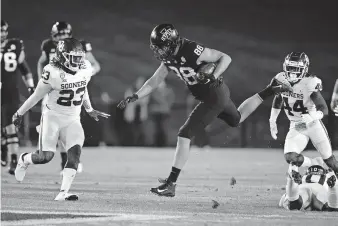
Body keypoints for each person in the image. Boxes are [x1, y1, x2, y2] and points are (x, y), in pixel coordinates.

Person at [118, 24, 291, 197]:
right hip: (213, 95)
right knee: (236, 119)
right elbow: (155, 80)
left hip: (213, 95)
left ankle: (171, 183)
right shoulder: (169, 59)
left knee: (184, 134)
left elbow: (226, 58)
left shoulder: (191, 49)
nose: (159, 52)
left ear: (171, 43)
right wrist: (136, 96)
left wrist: (213, 75)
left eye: (161, 47)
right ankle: (269, 90)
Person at [12, 38, 110, 201]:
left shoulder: (85, 67)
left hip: (73, 119)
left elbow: (82, 87)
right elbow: (36, 96)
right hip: (52, 117)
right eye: (74, 57)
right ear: (63, 56)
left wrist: (89, 109)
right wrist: (19, 113)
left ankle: (63, 193)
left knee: (75, 155)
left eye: (80, 57)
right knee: (45, 157)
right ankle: (24, 159)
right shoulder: (52, 72)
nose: (79, 61)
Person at [37, 21, 101, 173]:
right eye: (58, 35)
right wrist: (42, 80)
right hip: (53, 90)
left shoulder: (79, 45)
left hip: (71, 91)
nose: (61, 37)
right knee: (57, 128)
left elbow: (95, 65)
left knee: (72, 128)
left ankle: (71, 159)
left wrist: (82, 75)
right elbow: (41, 63)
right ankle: (64, 160)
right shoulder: (49, 46)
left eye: (64, 34)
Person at [269, 52, 338, 174]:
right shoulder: (280, 79)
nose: (292, 72)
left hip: (313, 125)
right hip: (296, 125)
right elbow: (278, 98)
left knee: (331, 162)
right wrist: (272, 120)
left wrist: (312, 116)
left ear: (304, 69)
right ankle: (316, 164)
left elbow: (324, 109)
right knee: (290, 157)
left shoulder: (309, 82)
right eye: (290, 68)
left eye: (296, 69)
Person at [1, 19, 35, 174]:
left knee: (9, 127)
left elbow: (24, 67)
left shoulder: (14, 45)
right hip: (9, 91)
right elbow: (24, 68)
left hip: (9, 92)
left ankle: (13, 160)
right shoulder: (14, 46)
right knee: (6, 129)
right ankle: (3, 146)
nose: (2, 33)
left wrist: (31, 86)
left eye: (4, 30)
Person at [149, 80, 175, 147]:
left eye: (162, 82)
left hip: (164, 112)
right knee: (157, 128)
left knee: (164, 128)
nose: (161, 84)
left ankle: (164, 143)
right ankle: (157, 143)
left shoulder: (169, 91)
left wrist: (165, 105)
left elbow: (171, 101)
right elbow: (151, 101)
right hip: (156, 112)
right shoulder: (154, 92)